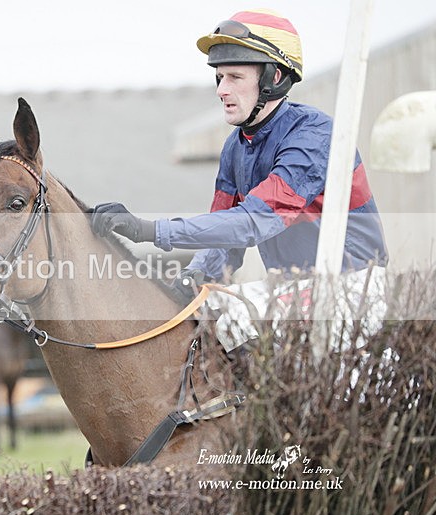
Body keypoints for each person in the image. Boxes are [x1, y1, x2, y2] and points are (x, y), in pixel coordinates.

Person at [90, 8, 389, 352]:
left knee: (234, 314)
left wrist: (149, 230)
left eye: (234, 76)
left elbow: (251, 223)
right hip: (296, 289)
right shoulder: (236, 145)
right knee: (193, 314)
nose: (221, 89)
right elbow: (225, 236)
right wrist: (193, 277)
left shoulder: (314, 136)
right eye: (219, 77)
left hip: (354, 286)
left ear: (273, 77)